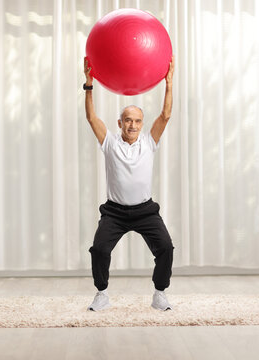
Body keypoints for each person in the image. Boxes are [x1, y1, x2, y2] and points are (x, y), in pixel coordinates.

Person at [83, 55, 175, 311]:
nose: (132, 125)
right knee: (100, 249)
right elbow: (92, 118)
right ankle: (101, 294)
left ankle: (159, 293)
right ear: (120, 123)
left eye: (136, 121)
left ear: (142, 124)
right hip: (115, 212)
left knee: (166, 248)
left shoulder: (149, 142)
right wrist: (88, 85)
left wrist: (169, 83)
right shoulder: (110, 142)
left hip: (145, 210)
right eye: (127, 120)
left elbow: (165, 115)